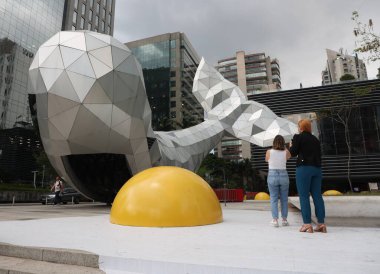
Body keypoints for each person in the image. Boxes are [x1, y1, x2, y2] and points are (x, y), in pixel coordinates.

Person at [289, 119, 326, 233]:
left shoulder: (298, 137)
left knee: (304, 196)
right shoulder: (315, 139)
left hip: (304, 168)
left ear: (301, 127)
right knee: (317, 196)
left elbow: (293, 152)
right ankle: (321, 223)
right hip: (317, 169)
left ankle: (307, 224)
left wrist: (291, 145)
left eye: (298, 126)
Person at [265, 135, 291, 227]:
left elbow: (266, 160)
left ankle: (275, 220)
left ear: (274, 142)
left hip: (272, 175)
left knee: (274, 198)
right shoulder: (286, 151)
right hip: (284, 175)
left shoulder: (269, 151)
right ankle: (284, 220)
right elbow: (288, 157)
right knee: (284, 199)